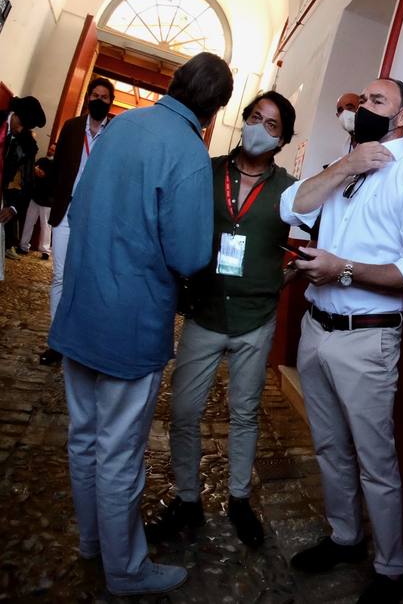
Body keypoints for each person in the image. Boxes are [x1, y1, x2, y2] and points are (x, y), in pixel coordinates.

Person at [48, 52, 233, 597]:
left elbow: (78, 209)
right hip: (130, 322)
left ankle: (91, 542)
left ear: (175, 84)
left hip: (80, 308)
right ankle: (125, 570)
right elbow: (190, 252)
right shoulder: (189, 153)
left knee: (82, 439)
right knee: (120, 453)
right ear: (215, 109)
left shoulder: (121, 125)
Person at [280, 77, 403, 604]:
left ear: (402, 119)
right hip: (314, 330)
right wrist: (345, 164)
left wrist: (342, 268)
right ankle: (344, 537)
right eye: (360, 101)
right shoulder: (341, 171)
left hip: (366, 341)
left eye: (376, 102)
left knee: (375, 459)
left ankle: (391, 568)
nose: (361, 108)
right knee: (328, 445)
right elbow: (293, 208)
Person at [144, 91, 298, 549]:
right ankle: (188, 500)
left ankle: (238, 500)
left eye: (271, 125)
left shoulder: (290, 190)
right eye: (254, 117)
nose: (259, 128)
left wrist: (280, 279)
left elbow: (318, 241)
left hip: (255, 319)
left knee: (245, 413)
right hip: (205, 313)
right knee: (185, 411)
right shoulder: (207, 171)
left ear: (283, 139)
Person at [41, 76, 114, 366]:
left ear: (110, 101)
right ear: (88, 98)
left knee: (83, 278)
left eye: (105, 96)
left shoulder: (115, 133)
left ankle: (77, 341)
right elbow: (59, 168)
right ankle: (56, 341)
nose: (99, 99)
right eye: (95, 94)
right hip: (65, 211)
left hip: (95, 217)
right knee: (60, 276)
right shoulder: (72, 128)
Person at [1, 95, 45, 259]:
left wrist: (13, 207)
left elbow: (28, 180)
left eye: (26, 127)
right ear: (15, 114)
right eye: (21, 124)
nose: (21, 130)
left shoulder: (28, 144)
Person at [18, 156, 54, 256]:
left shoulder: (56, 166)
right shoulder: (43, 160)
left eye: (53, 149)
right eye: (51, 149)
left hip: (47, 201)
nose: (51, 151)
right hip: (35, 197)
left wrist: (42, 173)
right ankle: (23, 246)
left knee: (46, 226)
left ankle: (45, 251)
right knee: (29, 222)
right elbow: (34, 169)